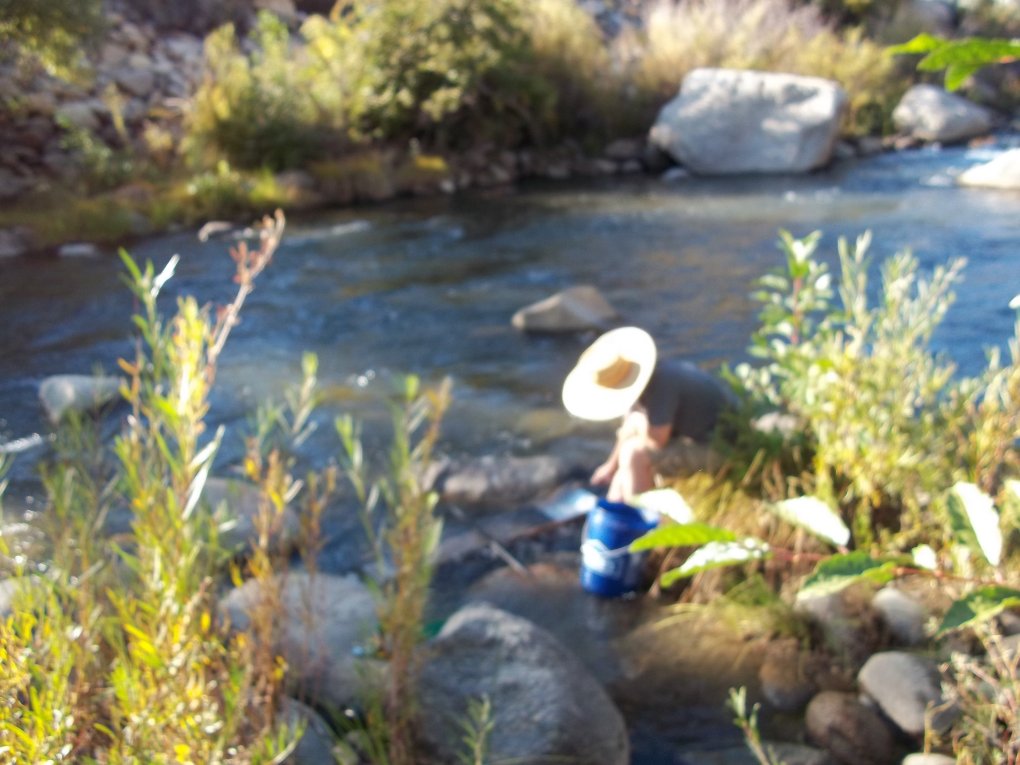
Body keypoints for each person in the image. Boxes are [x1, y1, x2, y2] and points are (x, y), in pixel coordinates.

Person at [561, 326, 735, 503]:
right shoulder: (641, 378)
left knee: (633, 454)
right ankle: (617, 504)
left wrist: (638, 424)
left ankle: (641, 512)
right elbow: (629, 428)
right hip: (693, 438)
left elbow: (656, 442)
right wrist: (611, 466)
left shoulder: (662, 383)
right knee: (626, 460)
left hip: (722, 449)